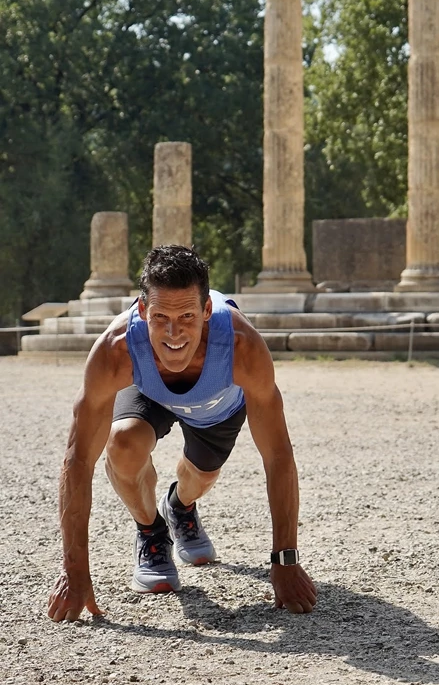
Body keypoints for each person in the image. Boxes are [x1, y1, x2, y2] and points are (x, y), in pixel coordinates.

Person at [47, 245, 317, 621]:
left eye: (187, 315)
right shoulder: (116, 350)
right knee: (122, 442)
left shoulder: (241, 346)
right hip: (147, 390)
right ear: (142, 311)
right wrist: (74, 572)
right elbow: (77, 459)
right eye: (161, 317)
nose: (174, 333)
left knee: (200, 477)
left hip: (217, 403)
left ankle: (180, 507)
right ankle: (151, 531)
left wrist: (285, 560)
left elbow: (278, 456)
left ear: (207, 311)